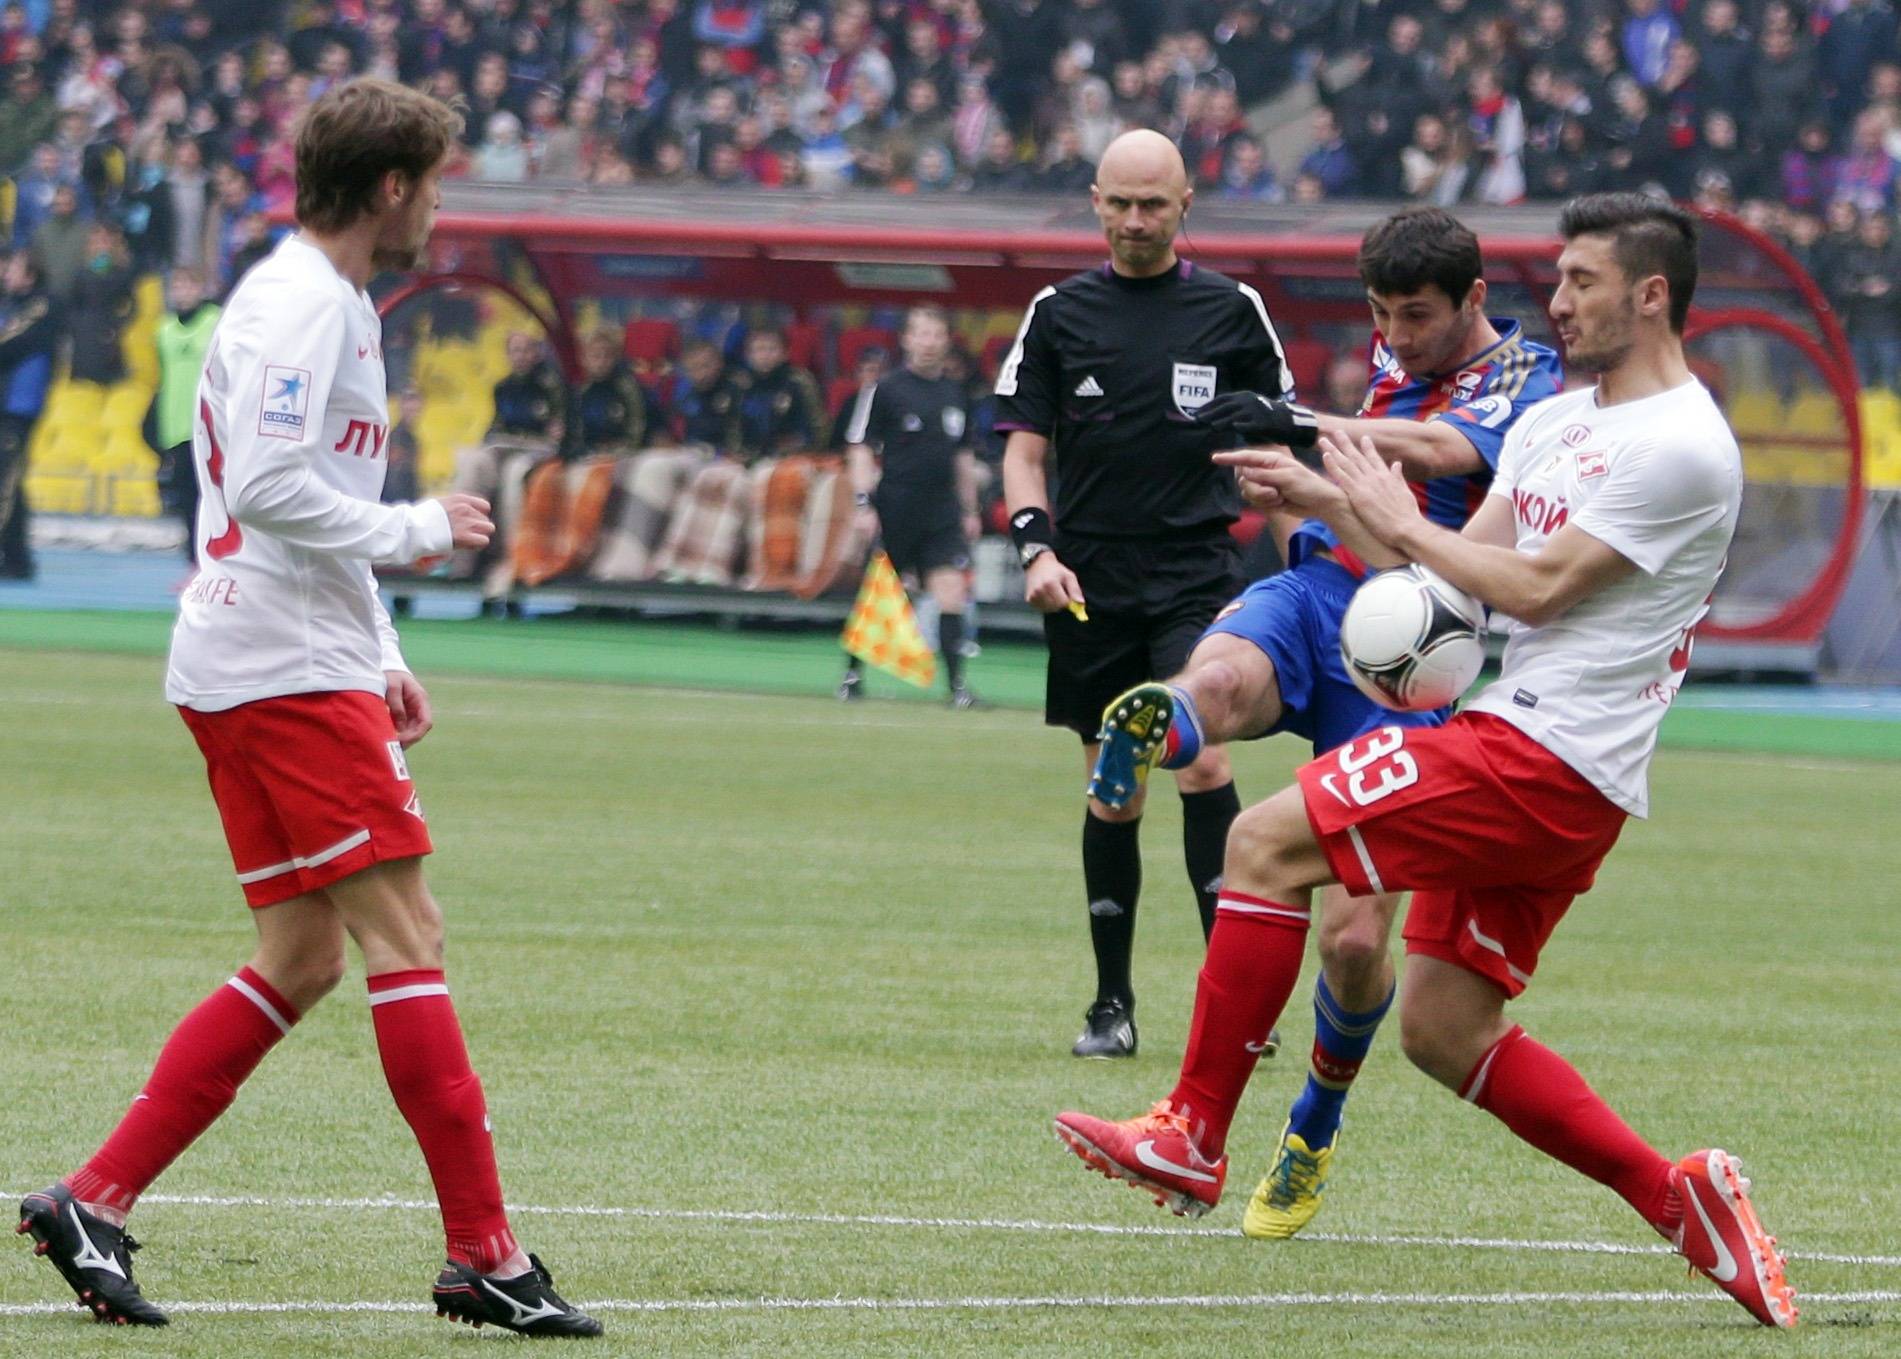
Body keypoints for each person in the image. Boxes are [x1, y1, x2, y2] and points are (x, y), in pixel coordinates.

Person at [1053, 193, 1797, 1331]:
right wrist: (1328, 500)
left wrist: (1390, 516)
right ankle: (1675, 1197)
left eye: (1582, 282)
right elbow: (1451, 582)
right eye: (1558, 279)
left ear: (1651, 296)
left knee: (1261, 842)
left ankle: (1192, 1132)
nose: (1557, 301)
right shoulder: (1558, 423)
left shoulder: (1685, 446)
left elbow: (1536, 590)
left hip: (1544, 758)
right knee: (1441, 1029)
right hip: (1536, 752)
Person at [14, 78, 602, 1338]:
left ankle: (91, 1201)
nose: (437, 209)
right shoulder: (305, 305)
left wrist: (378, 643)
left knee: (304, 955)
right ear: (390, 187)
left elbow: (295, 490)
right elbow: (274, 485)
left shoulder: (316, 298)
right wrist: (418, 527)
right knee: (408, 936)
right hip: (280, 667)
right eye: (431, 186)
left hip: (275, 653)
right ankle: (485, 1254)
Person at [1086, 207, 1563, 1238]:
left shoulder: (1526, 379)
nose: (1395, 335)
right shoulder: (1394, 361)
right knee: (1216, 676)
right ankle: (1159, 726)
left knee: (1351, 939)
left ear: (1475, 299)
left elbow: (1435, 452)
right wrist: (1289, 493)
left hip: (1411, 656)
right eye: (1380, 313)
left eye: (1417, 315)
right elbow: (1348, 478)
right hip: (1318, 594)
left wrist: (1300, 425)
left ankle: (1313, 1121)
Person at [995, 129, 1297, 1059]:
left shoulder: (1233, 310)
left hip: (1195, 573)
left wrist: (1308, 556)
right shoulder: (1056, 312)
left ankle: (1233, 1009)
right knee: (1115, 787)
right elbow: (1024, 452)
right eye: (1119, 204)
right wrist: (1035, 550)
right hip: (1090, 581)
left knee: (1201, 763)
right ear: (1095, 202)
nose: (1134, 221)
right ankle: (1110, 1006)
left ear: (1184, 205)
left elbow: (1280, 446)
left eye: (1152, 205)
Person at [838, 305, 983, 709]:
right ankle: (852, 676)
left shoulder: (957, 393)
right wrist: (864, 504)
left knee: (951, 591)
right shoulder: (885, 389)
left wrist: (970, 510)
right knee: (879, 594)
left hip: (942, 510)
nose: (929, 343)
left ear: (947, 341)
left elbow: (963, 456)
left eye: (936, 334)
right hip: (896, 506)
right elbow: (860, 448)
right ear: (906, 339)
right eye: (921, 334)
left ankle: (957, 687)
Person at [151, 266, 221, 561]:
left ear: (201, 290)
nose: (182, 293)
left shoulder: (215, 322)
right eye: (177, 287)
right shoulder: (164, 330)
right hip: (176, 423)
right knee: (184, 495)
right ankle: (193, 556)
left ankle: (212, 554)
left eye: (188, 286)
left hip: (209, 423)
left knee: (210, 494)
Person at [0, 249, 59, 580]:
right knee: (11, 482)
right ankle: (17, 557)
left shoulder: (42, 305)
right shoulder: (12, 304)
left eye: (13, 268)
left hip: (19, 405)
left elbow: (10, 343)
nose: (7, 273)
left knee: (5, 481)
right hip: (7, 403)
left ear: (30, 274)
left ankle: (13, 557)